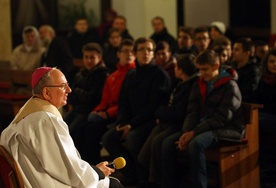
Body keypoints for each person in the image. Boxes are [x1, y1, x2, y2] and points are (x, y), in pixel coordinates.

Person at [0, 67, 123, 188]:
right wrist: (96, 172)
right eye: (63, 86)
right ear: (46, 93)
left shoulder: (19, 121)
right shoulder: (46, 121)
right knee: (113, 184)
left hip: (37, 181)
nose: (69, 90)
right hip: (48, 184)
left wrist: (92, 170)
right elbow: (68, 170)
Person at [161, 49, 244, 188]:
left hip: (227, 129)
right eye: (199, 69)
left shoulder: (230, 86)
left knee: (196, 144)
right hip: (204, 126)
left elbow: (222, 118)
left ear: (216, 66)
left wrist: (193, 133)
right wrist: (186, 131)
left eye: (205, 69)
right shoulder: (200, 83)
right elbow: (192, 110)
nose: (201, 73)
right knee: (168, 143)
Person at [102, 37, 171, 186]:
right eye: (142, 49)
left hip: (150, 121)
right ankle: (131, 174)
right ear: (135, 53)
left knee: (133, 138)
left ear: (153, 53)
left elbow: (153, 107)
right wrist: (122, 121)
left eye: (149, 50)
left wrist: (131, 125)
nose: (145, 53)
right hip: (131, 121)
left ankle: (144, 179)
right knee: (109, 138)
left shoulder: (160, 74)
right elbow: (123, 101)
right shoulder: (132, 74)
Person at [137, 53, 199, 187]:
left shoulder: (192, 85)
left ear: (181, 70)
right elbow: (165, 101)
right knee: (146, 150)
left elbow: (179, 112)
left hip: (176, 124)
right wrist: (160, 113)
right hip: (166, 120)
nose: (174, 69)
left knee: (160, 142)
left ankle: (159, 182)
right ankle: (148, 179)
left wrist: (159, 113)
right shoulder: (178, 82)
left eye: (176, 67)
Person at [74, 39, 136, 165]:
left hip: (121, 116)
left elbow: (126, 103)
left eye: (131, 51)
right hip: (111, 113)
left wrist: (106, 114)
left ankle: (94, 168)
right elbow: (105, 100)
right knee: (83, 127)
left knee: (91, 131)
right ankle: (83, 167)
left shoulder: (134, 74)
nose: (128, 54)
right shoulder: (113, 76)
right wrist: (97, 111)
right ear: (118, 54)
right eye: (125, 51)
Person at [64, 43, 109, 139]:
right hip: (77, 109)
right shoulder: (80, 74)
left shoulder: (102, 75)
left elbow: (92, 98)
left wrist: (77, 91)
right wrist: (78, 94)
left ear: (99, 58)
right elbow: (71, 95)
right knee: (60, 127)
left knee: (71, 133)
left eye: (92, 57)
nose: (88, 60)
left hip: (88, 111)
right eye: (86, 57)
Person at [253, 48, 276, 185]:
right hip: (265, 118)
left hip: (272, 118)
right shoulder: (263, 80)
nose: (275, 64)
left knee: (256, 118)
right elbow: (257, 99)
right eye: (272, 61)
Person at [231, 37, 261, 102]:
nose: (232, 52)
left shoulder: (253, 71)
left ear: (247, 53)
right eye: (233, 49)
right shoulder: (232, 67)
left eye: (237, 50)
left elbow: (248, 93)